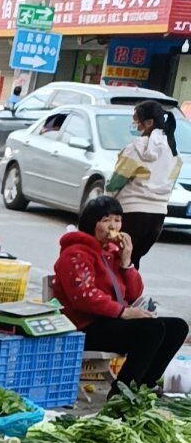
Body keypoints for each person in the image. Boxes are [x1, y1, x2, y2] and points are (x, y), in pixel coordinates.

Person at [52, 192, 188, 390]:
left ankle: (144, 386)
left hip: (111, 322)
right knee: (151, 330)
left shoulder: (114, 252)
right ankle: (123, 392)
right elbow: (85, 297)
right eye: (106, 220)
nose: (113, 226)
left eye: (117, 220)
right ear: (92, 223)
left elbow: (134, 294)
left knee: (177, 327)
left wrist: (126, 262)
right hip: (84, 326)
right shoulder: (75, 254)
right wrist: (123, 312)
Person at [114, 99, 182, 267]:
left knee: (117, 261)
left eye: (136, 119)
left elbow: (116, 181)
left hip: (130, 212)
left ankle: (117, 293)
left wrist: (106, 202)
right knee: (133, 262)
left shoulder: (137, 147)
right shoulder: (174, 152)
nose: (133, 124)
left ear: (149, 123)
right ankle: (131, 293)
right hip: (157, 219)